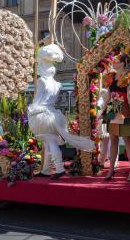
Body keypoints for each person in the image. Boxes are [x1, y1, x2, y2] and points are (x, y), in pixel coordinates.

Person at [28, 43, 94, 180]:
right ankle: (46, 170)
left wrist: (32, 111)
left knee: (50, 142)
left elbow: (38, 99)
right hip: (53, 113)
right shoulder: (57, 84)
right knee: (48, 142)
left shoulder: (41, 81)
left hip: (43, 115)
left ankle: (59, 168)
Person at [102, 53, 130, 181]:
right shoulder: (110, 76)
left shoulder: (129, 75)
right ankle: (111, 170)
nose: (114, 62)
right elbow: (108, 95)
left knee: (127, 140)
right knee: (113, 140)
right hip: (113, 107)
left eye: (117, 60)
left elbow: (129, 94)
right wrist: (102, 111)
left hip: (123, 108)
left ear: (124, 62)